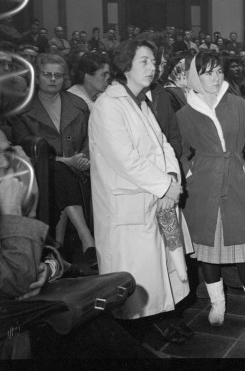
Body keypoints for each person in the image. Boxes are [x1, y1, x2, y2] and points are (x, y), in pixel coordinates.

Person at [0, 128, 165, 360]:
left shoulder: (0, 196)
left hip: (28, 312)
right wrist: (13, 213)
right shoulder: (5, 205)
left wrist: (48, 269)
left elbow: (51, 254)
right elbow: (17, 282)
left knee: (95, 322)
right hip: (6, 335)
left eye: (6, 152)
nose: (5, 163)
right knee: (93, 327)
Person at [89, 40, 192, 343]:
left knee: (160, 275)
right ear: (125, 66)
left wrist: (172, 180)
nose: (153, 67)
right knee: (133, 284)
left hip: (156, 199)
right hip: (128, 206)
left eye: (155, 62)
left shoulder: (142, 102)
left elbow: (164, 147)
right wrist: (166, 187)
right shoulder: (108, 106)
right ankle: (133, 341)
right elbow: (126, 160)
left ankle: (159, 327)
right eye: (144, 61)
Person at [176, 50, 245, 329]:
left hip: (236, 181)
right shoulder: (185, 113)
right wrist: (189, 171)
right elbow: (180, 151)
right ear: (195, 76)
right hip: (203, 188)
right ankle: (217, 303)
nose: (215, 77)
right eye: (208, 72)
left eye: (218, 71)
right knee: (207, 252)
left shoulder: (239, 105)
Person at [11, 54, 96, 262]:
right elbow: (23, 149)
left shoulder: (77, 104)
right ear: (37, 77)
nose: (53, 79)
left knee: (62, 176)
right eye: (47, 74)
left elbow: (91, 138)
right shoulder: (21, 110)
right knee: (58, 173)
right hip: (40, 174)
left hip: (80, 169)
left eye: (58, 75)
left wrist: (83, 157)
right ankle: (86, 238)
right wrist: (62, 161)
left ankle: (57, 249)